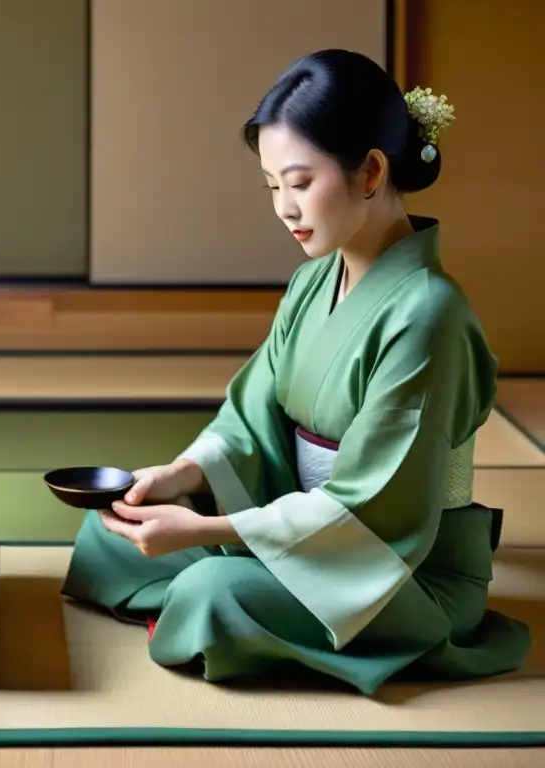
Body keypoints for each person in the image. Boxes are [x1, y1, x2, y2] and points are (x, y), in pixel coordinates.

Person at [60, 49, 531, 696]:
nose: (283, 207)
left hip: (398, 566)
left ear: (370, 170)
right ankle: (240, 603)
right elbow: (253, 415)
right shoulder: (315, 280)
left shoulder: (428, 313)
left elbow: (379, 511)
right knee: (109, 529)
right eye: (272, 186)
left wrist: (207, 530)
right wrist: (182, 477)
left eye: (300, 182)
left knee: (208, 590)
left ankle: (224, 606)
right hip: (302, 526)